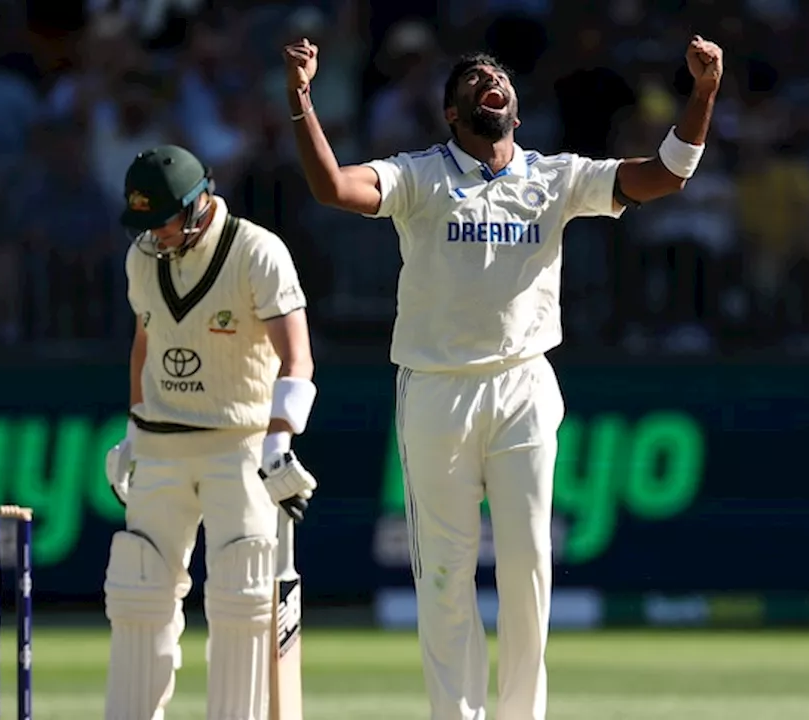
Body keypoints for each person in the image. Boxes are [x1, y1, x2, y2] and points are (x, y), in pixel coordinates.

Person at [283, 35, 724, 720]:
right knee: (444, 577)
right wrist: (300, 100)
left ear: (515, 111)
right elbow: (333, 186)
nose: (488, 79)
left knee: (528, 572)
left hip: (523, 384)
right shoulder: (420, 175)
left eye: (498, 76)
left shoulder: (553, 177)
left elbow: (666, 175)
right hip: (436, 389)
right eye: (471, 79)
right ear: (454, 115)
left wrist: (704, 92)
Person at [100, 144, 319, 720]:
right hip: (160, 447)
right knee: (138, 595)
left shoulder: (257, 251)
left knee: (241, 602)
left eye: (163, 222)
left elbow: (297, 358)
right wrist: (132, 430)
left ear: (199, 204)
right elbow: (145, 343)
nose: (155, 237)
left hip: (238, 444)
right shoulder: (142, 258)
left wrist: (279, 443)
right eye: (143, 225)